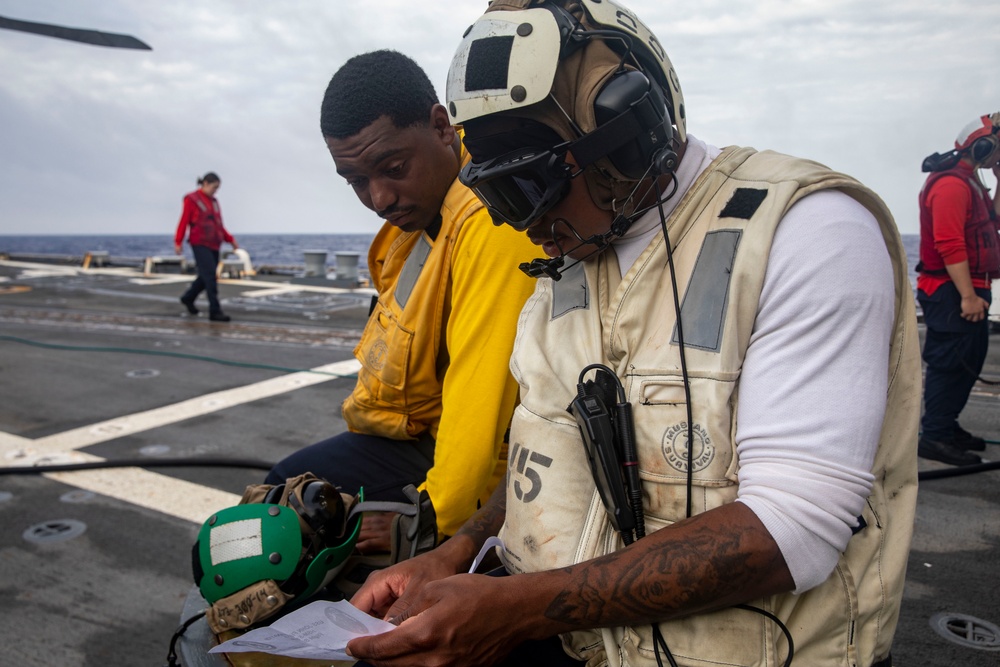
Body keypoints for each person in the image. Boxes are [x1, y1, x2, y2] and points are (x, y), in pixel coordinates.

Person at [345, 3, 920, 667]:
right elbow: (549, 454)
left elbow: (797, 526)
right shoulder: (569, 250)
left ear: (629, 133)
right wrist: (461, 551)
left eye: (532, 184)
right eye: (498, 195)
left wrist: (521, 605)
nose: (518, 222)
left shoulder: (807, 229)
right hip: (556, 633)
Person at [265, 50, 538, 559]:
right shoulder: (423, 219)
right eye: (357, 182)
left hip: (489, 466)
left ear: (441, 127)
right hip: (415, 436)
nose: (380, 198)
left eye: (393, 168)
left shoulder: (491, 225)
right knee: (284, 494)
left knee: (291, 526)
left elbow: (477, 408)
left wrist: (428, 523)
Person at [915, 113, 1000, 466]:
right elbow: (950, 244)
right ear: (982, 146)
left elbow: (994, 222)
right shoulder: (951, 185)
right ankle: (934, 435)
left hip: (970, 289)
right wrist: (967, 295)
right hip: (952, 292)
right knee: (951, 364)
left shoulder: (972, 183)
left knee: (969, 362)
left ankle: (946, 426)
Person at [174, 171, 237, 322]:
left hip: (214, 243)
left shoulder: (214, 202)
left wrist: (230, 239)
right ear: (205, 184)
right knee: (210, 277)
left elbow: (218, 224)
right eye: (214, 187)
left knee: (205, 276)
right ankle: (215, 311)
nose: (215, 191)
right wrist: (178, 241)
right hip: (199, 243)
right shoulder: (192, 200)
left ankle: (188, 298)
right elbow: (184, 221)